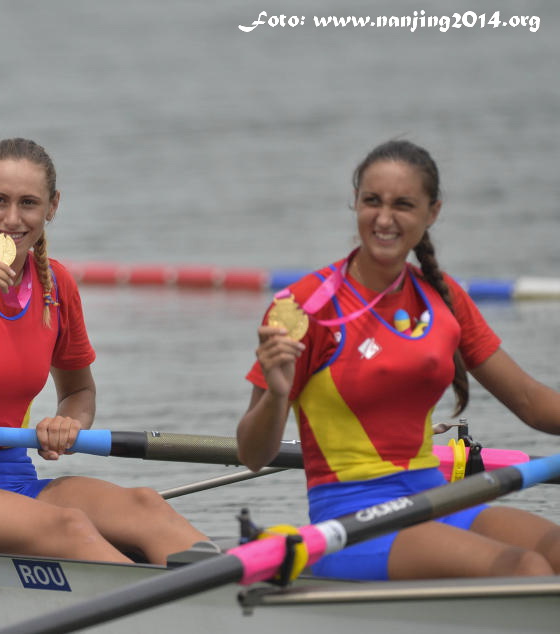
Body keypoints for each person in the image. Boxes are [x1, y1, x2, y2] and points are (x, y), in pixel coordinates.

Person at [237, 139, 560, 581]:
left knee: (555, 552)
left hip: (435, 501)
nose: (384, 219)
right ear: (355, 203)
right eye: (372, 201)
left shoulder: (441, 295)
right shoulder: (305, 306)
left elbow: (529, 400)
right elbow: (253, 454)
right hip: (352, 523)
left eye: (403, 205)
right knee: (526, 567)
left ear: (432, 213)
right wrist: (276, 396)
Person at [0, 137, 208, 564]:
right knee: (70, 526)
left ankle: (239, 599)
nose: (12, 219)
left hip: (17, 481)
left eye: (29, 204)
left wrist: (69, 424)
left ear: (52, 207)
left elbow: (79, 392)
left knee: (145, 505)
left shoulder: (57, 285)